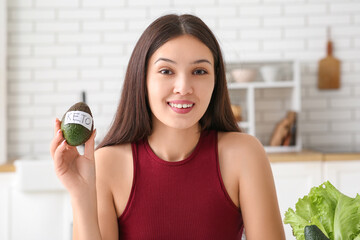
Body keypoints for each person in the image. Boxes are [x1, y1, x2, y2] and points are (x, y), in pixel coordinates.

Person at [50, 14, 285, 240]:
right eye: (166, 71)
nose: (183, 87)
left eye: (199, 71)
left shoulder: (244, 154)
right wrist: (81, 195)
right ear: (142, 80)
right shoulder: (107, 163)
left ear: (216, 81)